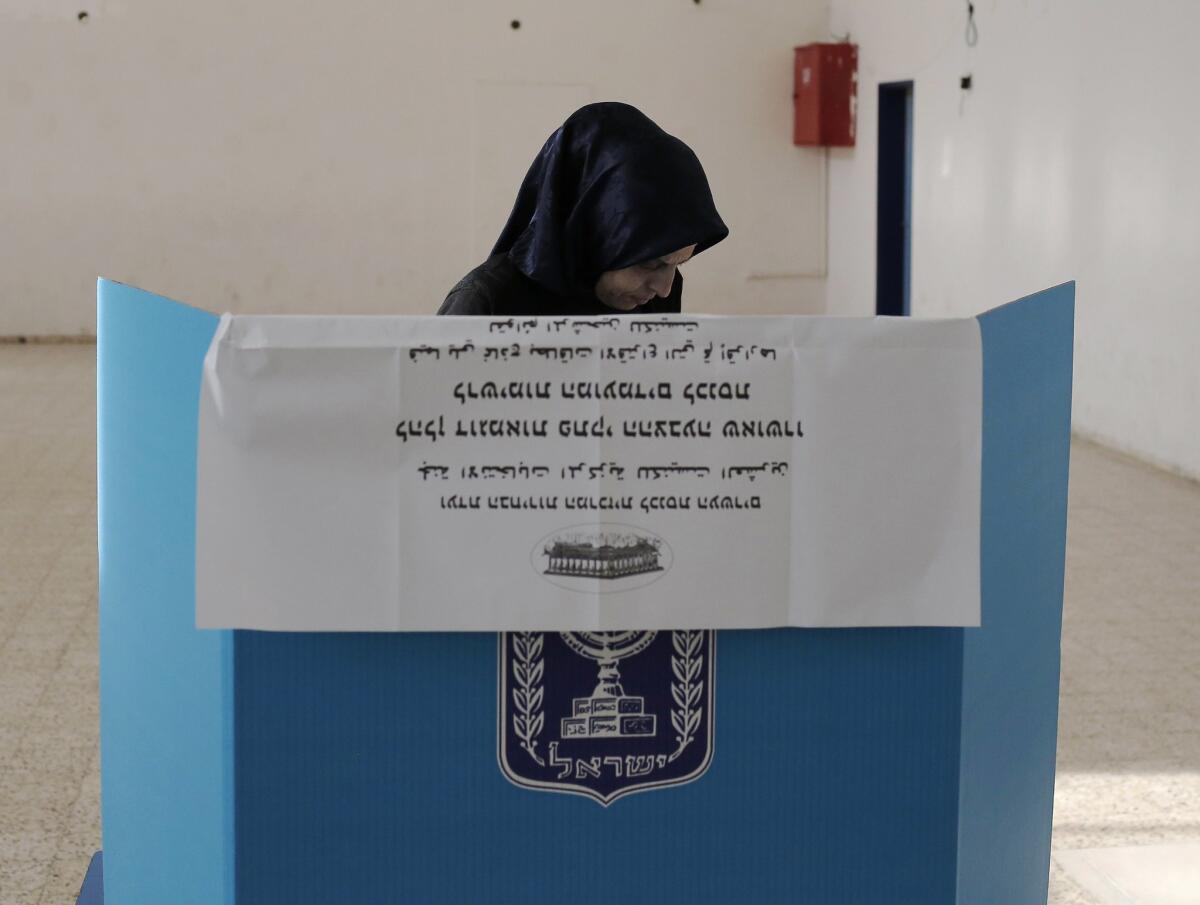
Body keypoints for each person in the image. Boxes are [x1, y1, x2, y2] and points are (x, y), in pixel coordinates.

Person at [438, 102, 728, 317]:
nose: (664, 288)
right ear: (592, 231)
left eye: (679, 263)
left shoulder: (652, 297)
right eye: (651, 263)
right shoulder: (487, 304)